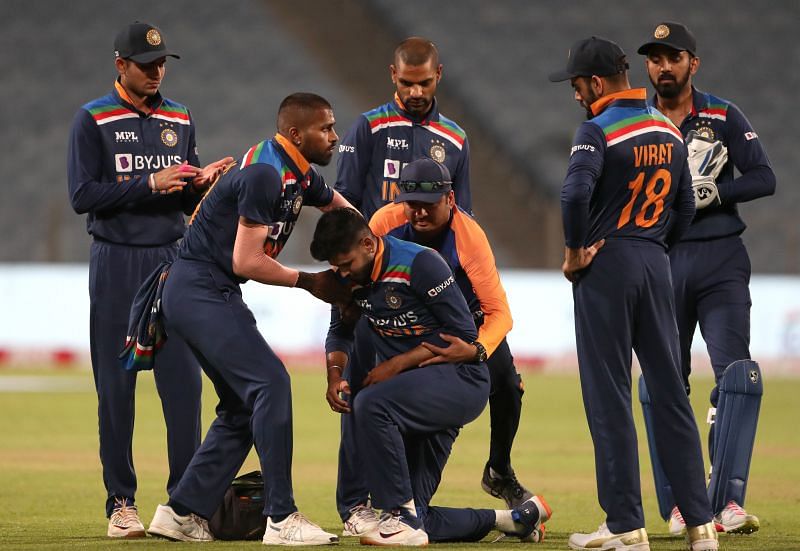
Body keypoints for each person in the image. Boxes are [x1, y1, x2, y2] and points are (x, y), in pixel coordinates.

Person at [142, 93, 354, 545]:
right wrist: (311, 282)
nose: (335, 137)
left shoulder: (295, 171)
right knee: (271, 383)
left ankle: (181, 512)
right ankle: (282, 518)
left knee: (242, 406)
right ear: (296, 134)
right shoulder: (264, 174)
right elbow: (246, 261)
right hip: (201, 288)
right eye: (326, 128)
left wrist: (373, 245)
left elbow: (337, 205)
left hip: (202, 290)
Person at [548, 37, 718, 551]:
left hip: (607, 266)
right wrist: (655, 244)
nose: (576, 96)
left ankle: (625, 523)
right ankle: (701, 524)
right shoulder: (667, 127)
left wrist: (577, 250)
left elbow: (574, 192)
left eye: (578, 86)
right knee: (670, 394)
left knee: (610, 397)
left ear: (596, 83)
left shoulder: (596, 130)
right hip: (655, 262)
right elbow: (686, 205)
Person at [67, 21, 233, 538]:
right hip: (117, 261)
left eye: (162, 64)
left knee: (182, 387)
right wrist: (149, 182)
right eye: (146, 64)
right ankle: (121, 502)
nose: (157, 72)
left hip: (172, 259)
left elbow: (182, 197)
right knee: (116, 387)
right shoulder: (93, 118)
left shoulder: (180, 116)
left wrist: (200, 185)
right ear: (121, 65)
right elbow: (82, 196)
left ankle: (184, 507)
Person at [311, 207, 550, 546]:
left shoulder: (420, 263)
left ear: (367, 244)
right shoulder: (350, 278)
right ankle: (515, 519)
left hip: (458, 381)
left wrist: (396, 364)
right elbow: (339, 332)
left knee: (372, 404)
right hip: (412, 398)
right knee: (419, 513)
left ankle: (399, 517)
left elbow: (464, 333)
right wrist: (335, 375)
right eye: (336, 267)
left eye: (346, 264)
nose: (342, 274)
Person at [636, 21, 775, 537]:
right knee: (661, 382)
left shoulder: (721, 114)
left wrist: (716, 193)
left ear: (693, 63)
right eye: (655, 58)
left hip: (720, 258)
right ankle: (679, 506)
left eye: (673, 57)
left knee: (737, 377)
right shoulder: (638, 120)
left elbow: (764, 176)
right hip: (661, 260)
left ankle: (729, 502)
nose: (663, 67)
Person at [370, 158, 535, 509]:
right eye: (411, 204)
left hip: (466, 328)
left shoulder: (469, 236)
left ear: (450, 199)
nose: (419, 214)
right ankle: (386, 485)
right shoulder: (384, 222)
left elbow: (500, 313)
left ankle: (500, 472)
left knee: (506, 384)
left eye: (428, 206)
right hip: (410, 325)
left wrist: (475, 349)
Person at [334, 36, 471, 220]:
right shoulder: (368, 127)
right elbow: (344, 202)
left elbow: (462, 215)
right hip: (377, 247)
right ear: (393, 74)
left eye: (424, 83)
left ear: (438, 74)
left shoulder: (456, 139)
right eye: (406, 83)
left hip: (430, 249)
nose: (416, 93)